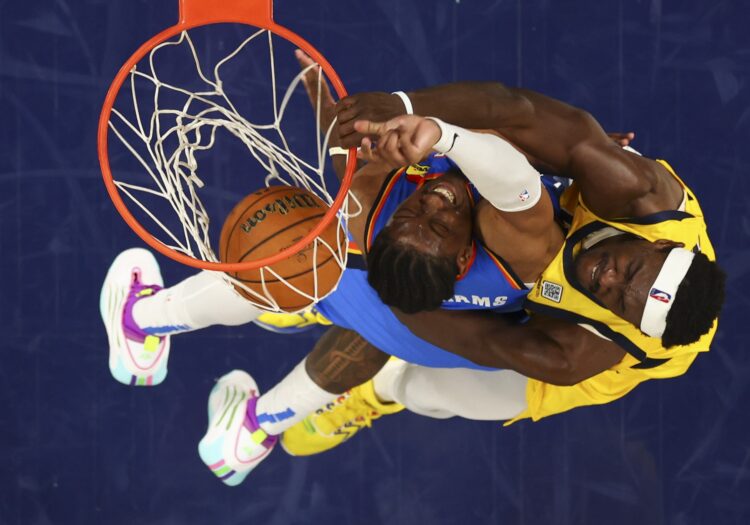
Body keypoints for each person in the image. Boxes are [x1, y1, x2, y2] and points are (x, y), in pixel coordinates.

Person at [100, 52, 570, 484]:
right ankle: (252, 431)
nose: (431, 202)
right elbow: (509, 165)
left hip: (396, 306)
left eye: (426, 218)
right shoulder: (509, 246)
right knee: (372, 326)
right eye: (421, 214)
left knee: (296, 260)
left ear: (464, 257)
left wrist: (346, 117)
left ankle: (142, 320)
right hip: (440, 340)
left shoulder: (385, 210)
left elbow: (366, 161)